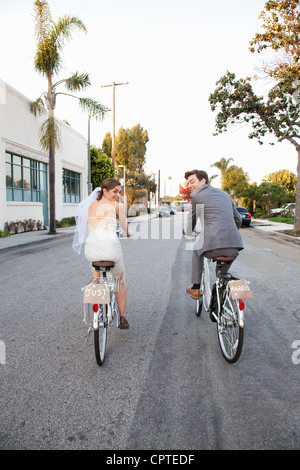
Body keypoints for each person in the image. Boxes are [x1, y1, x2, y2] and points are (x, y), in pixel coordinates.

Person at [72, 178, 130, 329]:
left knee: (96, 269)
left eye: (119, 192)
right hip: (111, 249)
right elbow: (124, 226)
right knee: (119, 281)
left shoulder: (90, 206)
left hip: (91, 250)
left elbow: (84, 227)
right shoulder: (118, 206)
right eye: (115, 191)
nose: (117, 195)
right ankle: (122, 317)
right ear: (104, 190)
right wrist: (128, 233)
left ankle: (96, 286)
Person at [184, 170, 244, 302]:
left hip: (213, 245)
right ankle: (221, 291)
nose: (189, 185)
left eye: (192, 181)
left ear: (203, 180)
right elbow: (238, 219)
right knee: (222, 275)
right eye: (188, 183)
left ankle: (195, 287)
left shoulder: (197, 196)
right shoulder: (225, 195)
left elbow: (190, 223)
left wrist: (188, 232)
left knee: (196, 250)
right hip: (234, 245)